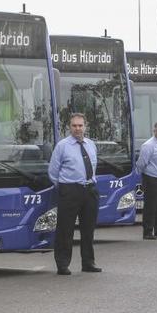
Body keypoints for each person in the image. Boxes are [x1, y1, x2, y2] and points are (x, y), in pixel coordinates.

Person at [48, 113, 101, 275]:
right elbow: (53, 171)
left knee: (88, 229)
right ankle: (62, 264)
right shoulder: (62, 146)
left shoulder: (91, 144)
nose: (77, 129)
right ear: (69, 127)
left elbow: (93, 166)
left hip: (90, 190)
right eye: (74, 126)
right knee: (65, 228)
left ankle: (88, 262)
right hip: (70, 190)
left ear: (85, 126)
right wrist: (65, 187)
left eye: (80, 125)